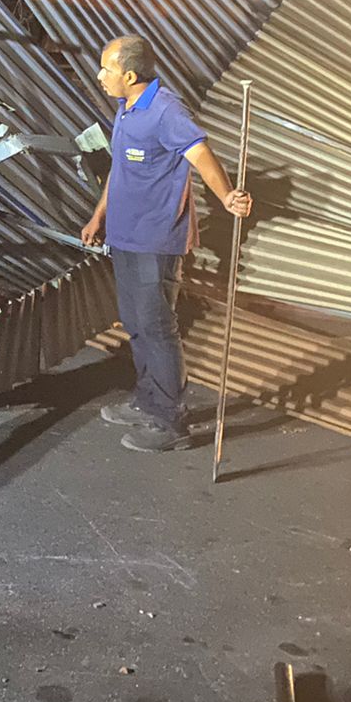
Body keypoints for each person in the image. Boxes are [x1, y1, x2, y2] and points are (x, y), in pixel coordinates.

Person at [80, 34, 251, 453]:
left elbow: (201, 154)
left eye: (107, 69)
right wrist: (100, 215)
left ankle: (170, 423)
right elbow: (120, 170)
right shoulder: (127, 108)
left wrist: (227, 195)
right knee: (136, 324)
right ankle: (147, 400)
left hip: (155, 240)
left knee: (157, 328)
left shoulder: (165, 111)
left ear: (131, 74)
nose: (100, 76)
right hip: (125, 235)